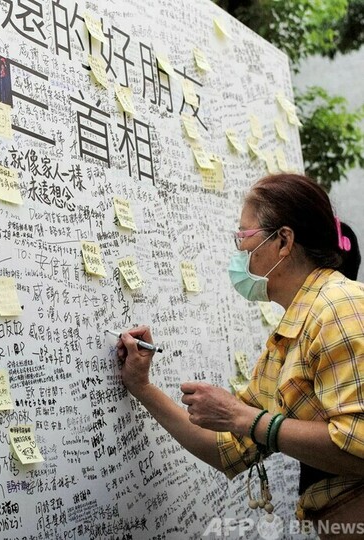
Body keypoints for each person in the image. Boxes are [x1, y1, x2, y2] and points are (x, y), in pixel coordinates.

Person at [116, 173, 364, 538]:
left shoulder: (340, 306)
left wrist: (244, 418)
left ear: (283, 241)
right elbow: (229, 450)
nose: (239, 252)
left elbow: (357, 445)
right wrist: (143, 387)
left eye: (243, 236)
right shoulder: (290, 336)